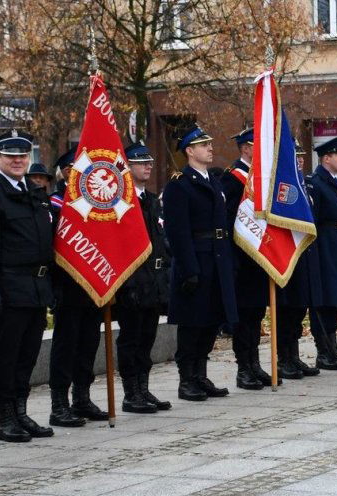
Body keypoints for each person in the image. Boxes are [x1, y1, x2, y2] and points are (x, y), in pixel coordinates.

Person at [163, 125, 237, 401]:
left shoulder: (214, 181)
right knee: (193, 323)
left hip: (217, 258)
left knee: (211, 321)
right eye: (203, 145)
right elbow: (177, 231)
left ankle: (201, 374)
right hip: (197, 260)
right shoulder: (179, 184)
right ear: (189, 151)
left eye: (210, 144)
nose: (210, 148)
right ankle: (187, 379)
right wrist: (189, 268)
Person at [0, 130, 55, 442]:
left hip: (37, 287)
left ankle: (20, 409)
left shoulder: (35, 192)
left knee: (28, 354)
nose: (18, 160)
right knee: (6, 355)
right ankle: (4, 414)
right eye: (10, 155)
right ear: (0, 158)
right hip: (10, 287)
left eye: (22, 155)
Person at [48, 150, 109, 426]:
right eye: (74, 168)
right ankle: (59, 403)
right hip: (66, 285)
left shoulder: (95, 204)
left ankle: (82, 397)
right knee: (65, 344)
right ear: (64, 172)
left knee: (88, 342)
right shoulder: (55, 204)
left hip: (93, 282)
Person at [114, 142, 171, 413]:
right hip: (132, 281)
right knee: (131, 338)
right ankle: (130, 393)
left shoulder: (150, 199)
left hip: (153, 279)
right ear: (127, 166)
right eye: (141, 162)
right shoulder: (121, 201)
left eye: (149, 161)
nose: (148, 166)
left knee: (147, 337)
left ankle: (143, 388)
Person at [219, 126, 273, 390]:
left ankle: (255, 363)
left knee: (255, 315)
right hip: (241, 259)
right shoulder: (232, 179)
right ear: (246, 148)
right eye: (257, 146)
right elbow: (229, 221)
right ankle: (243, 368)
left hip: (260, 258)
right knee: (243, 317)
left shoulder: (261, 179)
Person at [307, 136, 337, 370]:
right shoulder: (315, 183)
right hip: (324, 245)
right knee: (325, 299)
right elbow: (313, 220)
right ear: (326, 158)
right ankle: (323, 350)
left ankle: (332, 349)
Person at [275, 139, 323, 378]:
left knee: (299, 309)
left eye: (303, 155)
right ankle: (283, 358)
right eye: (296, 155)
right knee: (287, 308)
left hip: (305, 253)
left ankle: (293, 355)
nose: (301, 159)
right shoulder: (282, 185)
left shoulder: (304, 185)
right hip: (288, 254)